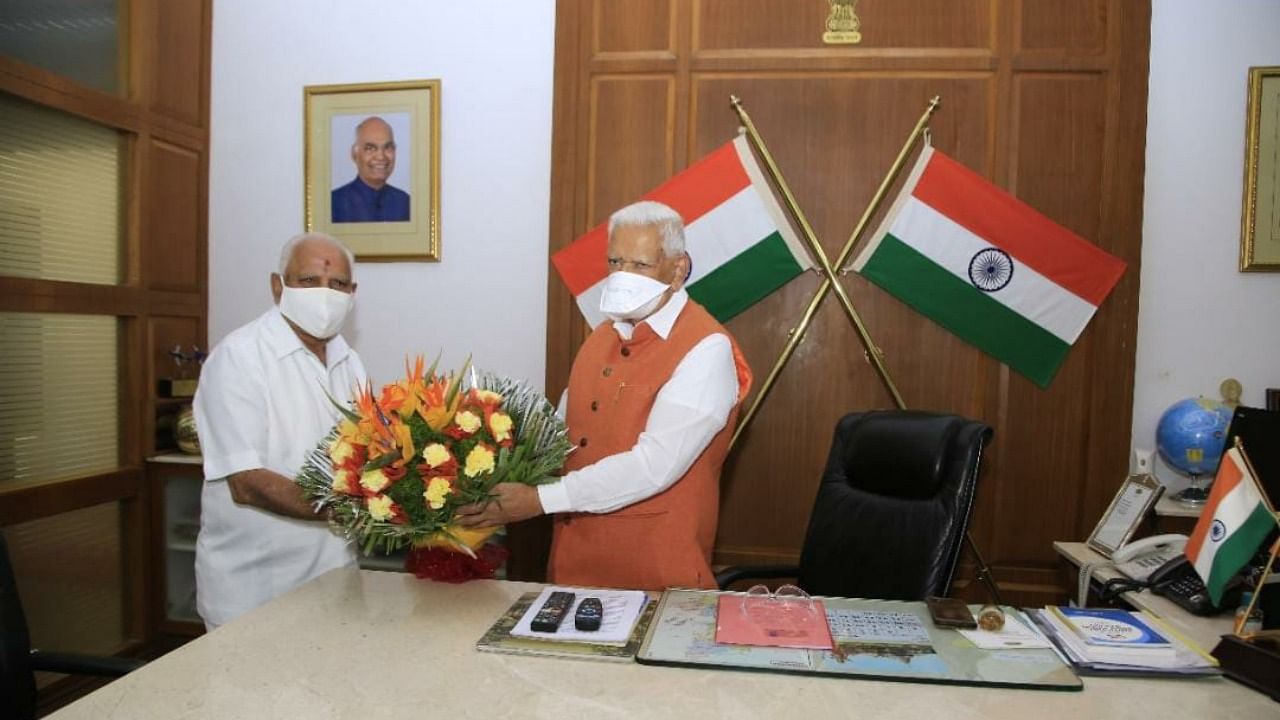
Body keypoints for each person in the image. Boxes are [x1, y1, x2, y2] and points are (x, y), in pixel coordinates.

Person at [456, 201, 752, 590]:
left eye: (640, 265)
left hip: (657, 578)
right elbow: (555, 439)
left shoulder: (706, 349)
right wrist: (477, 469)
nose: (623, 276)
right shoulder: (600, 338)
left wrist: (538, 500)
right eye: (615, 262)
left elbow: (654, 465)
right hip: (573, 569)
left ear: (678, 269)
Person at [193, 232, 366, 629]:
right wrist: (356, 511)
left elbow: (366, 462)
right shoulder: (239, 358)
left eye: (338, 284)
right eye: (308, 281)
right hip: (254, 593)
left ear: (353, 292)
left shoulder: (349, 362)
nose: (325, 293)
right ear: (278, 285)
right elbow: (247, 482)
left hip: (336, 584)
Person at [330, 116, 410, 223]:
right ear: (354, 154)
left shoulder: (405, 202)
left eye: (387, 147)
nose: (381, 157)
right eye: (370, 149)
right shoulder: (334, 203)